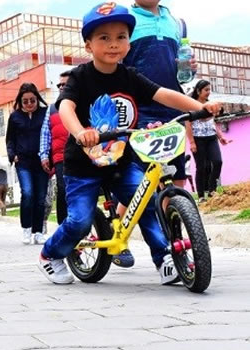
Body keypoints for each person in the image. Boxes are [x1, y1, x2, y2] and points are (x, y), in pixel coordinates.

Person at [38, 2, 222, 285]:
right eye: (104, 38)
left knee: (146, 203)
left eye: (121, 37)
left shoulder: (130, 76)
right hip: (84, 163)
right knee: (79, 221)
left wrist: (201, 105)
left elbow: (164, 94)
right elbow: (66, 108)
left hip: (121, 160)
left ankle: (165, 259)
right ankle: (50, 254)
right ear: (88, 45)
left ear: (129, 42)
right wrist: (79, 132)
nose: (114, 44)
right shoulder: (81, 76)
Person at [124, 0, 194, 189]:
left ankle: (176, 217)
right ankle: (122, 219)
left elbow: (183, 73)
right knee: (143, 178)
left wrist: (189, 69)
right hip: (139, 109)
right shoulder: (125, 19)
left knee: (177, 173)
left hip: (172, 108)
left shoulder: (176, 23)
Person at [6, 83, 50, 245]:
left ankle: (38, 231)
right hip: (23, 161)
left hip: (42, 161)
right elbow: (10, 139)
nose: (30, 104)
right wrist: (13, 155)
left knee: (40, 197)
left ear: (37, 99)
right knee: (28, 193)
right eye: (25, 101)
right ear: (20, 101)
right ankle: (26, 228)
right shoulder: (15, 117)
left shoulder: (45, 114)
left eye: (32, 100)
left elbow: (49, 135)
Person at [186, 79, 231, 203]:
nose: (208, 92)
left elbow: (213, 122)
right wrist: (191, 142)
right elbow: (188, 124)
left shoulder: (210, 104)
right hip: (198, 139)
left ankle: (212, 191)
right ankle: (201, 196)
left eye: (209, 90)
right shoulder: (191, 104)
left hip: (211, 137)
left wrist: (221, 137)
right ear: (198, 91)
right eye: (206, 90)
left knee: (217, 162)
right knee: (201, 167)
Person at [40, 71, 71, 226]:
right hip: (60, 157)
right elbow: (45, 133)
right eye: (59, 85)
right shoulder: (52, 109)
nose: (61, 87)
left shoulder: (84, 104)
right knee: (63, 189)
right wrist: (44, 155)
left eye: (65, 84)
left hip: (83, 155)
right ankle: (63, 227)